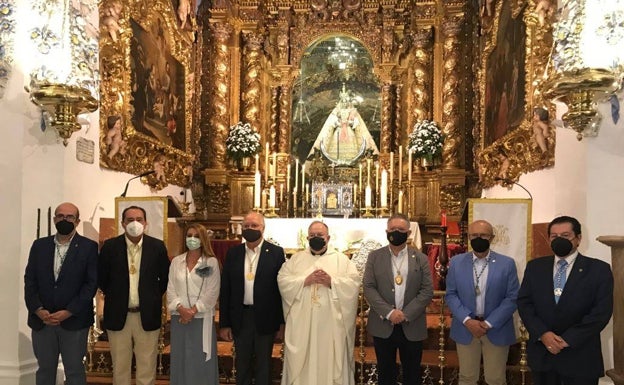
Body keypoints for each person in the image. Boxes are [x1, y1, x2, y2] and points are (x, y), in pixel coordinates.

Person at [517, 216, 613, 385]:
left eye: (566, 235)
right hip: (543, 356)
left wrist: (567, 340)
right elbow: (525, 303)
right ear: (549, 240)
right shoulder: (535, 267)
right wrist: (543, 334)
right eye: (554, 236)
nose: (559, 240)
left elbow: (601, 312)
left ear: (578, 239)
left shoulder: (599, 269)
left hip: (580, 356)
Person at [278, 220, 360, 385]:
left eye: (320, 235)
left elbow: (353, 284)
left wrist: (332, 282)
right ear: (307, 237)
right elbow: (282, 280)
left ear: (328, 238)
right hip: (303, 324)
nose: (316, 238)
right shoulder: (296, 260)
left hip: (331, 325)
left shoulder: (342, 260)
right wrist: (304, 281)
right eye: (313, 235)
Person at [24, 202, 98, 385]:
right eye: (60, 216)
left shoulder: (88, 247)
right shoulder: (40, 246)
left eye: (70, 217)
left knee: (74, 371)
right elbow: (30, 280)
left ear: (78, 221)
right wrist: (38, 309)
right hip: (43, 321)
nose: (64, 220)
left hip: (74, 321)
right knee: (45, 370)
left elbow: (91, 284)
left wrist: (69, 311)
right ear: (54, 219)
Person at [98, 205, 170, 385]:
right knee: (120, 368)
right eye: (130, 220)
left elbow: (165, 279)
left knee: (146, 367)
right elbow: (102, 279)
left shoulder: (157, 246)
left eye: (139, 219)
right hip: (118, 315)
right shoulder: (110, 247)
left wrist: (151, 297)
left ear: (146, 223)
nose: (135, 223)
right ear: (122, 223)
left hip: (146, 315)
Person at [445, 219, 520, 385]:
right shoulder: (457, 263)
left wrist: (488, 323)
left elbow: (512, 297)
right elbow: (451, 294)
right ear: (468, 237)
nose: (478, 238)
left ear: (492, 238)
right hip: (466, 328)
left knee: (495, 379)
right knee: (467, 377)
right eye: (474, 235)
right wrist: (467, 320)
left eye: (483, 235)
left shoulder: (506, 264)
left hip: (496, 328)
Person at [363, 213, 434, 385]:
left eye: (401, 229)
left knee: (412, 375)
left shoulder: (421, 258)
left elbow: (427, 290)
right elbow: (369, 287)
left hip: (412, 324)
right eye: (393, 229)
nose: (396, 232)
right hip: (383, 324)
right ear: (386, 231)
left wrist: (405, 314)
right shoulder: (375, 256)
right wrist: (389, 313)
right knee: (385, 374)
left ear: (409, 233)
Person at [219, 212, 286, 385]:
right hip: (241, 316)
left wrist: (281, 322)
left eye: (254, 226)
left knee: (264, 363)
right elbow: (226, 289)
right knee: (242, 362)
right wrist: (225, 323)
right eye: (246, 226)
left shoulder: (276, 253)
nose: (250, 229)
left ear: (263, 228)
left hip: (266, 316)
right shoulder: (233, 253)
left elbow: (280, 290)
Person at [167, 224, 220, 384]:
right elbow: (170, 289)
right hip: (179, 319)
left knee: (200, 360)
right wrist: (181, 309)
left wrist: (193, 311)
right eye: (189, 235)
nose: (192, 239)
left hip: (201, 319)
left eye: (196, 236)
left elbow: (212, 291)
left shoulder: (210, 263)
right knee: (181, 358)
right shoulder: (177, 261)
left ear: (203, 239)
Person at [307, 84, 378, 167]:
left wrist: (349, 122)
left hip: (348, 131)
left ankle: (351, 164)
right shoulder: (337, 110)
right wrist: (339, 123)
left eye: (345, 101)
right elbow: (332, 122)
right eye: (343, 101)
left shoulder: (352, 110)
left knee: (352, 147)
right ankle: (336, 163)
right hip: (339, 131)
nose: (344, 103)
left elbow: (356, 123)